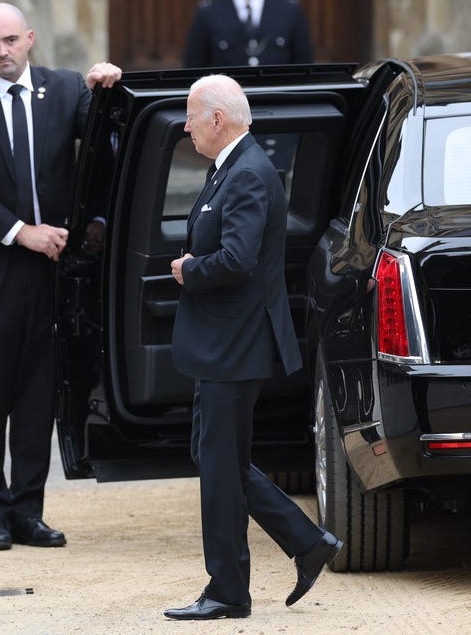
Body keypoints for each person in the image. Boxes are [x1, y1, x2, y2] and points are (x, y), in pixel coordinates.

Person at [0, 2, 121, 551]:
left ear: (31, 38)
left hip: (55, 273)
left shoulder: (66, 91)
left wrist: (109, 88)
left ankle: (27, 510)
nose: (3, 52)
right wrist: (22, 231)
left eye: (11, 40)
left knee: (41, 396)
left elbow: (111, 149)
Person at [163, 74, 339, 620]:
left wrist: (190, 270)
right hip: (224, 344)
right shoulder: (230, 168)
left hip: (235, 346)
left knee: (220, 467)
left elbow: (237, 259)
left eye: (192, 116)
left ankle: (228, 591)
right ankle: (307, 542)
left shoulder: (247, 174)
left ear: (217, 119)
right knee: (217, 460)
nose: (186, 125)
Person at [182, 0, 313, 69]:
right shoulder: (208, 12)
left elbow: (304, 62)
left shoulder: (289, 10)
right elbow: (194, 64)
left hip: (277, 95)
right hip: (225, 98)